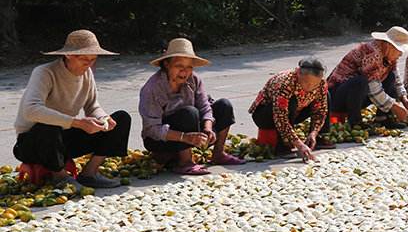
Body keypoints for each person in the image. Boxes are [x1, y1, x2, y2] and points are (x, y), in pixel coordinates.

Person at [13, 30, 131, 188]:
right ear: (68, 55)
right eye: (84, 59)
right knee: (49, 127)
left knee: (121, 118)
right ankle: (60, 177)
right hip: (33, 143)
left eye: (93, 59)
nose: (89, 64)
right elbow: (31, 110)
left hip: (63, 140)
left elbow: (92, 105)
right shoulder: (44, 72)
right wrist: (77, 123)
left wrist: (103, 118)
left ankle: (90, 173)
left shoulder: (87, 73)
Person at [139, 38, 244, 176]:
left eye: (189, 67)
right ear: (166, 64)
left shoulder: (194, 80)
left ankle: (218, 154)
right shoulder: (153, 88)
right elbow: (152, 129)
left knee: (224, 105)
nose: (184, 71)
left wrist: (207, 128)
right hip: (161, 140)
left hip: (192, 134)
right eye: (179, 66)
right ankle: (185, 162)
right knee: (189, 112)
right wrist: (184, 137)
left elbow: (205, 107)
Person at [326, 26, 408, 129]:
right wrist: (394, 106)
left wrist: (404, 98)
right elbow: (372, 87)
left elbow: (396, 78)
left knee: (390, 76)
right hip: (337, 95)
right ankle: (355, 122)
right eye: (399, 50)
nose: (401, 54)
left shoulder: (389, 56)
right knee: (360, 82)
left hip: (359, 95)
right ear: (389, 46)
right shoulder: (372, 53)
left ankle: (383, 118)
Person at [249, 58, 333, 161]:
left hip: (295, 112)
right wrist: (299, 144)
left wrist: (314, 132)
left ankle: (318, 138)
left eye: (314, 84)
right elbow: (280, 118)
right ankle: (283, 147)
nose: (310, 88)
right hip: (265, 116)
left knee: (326, 95)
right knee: (292, 101)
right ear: (298, 73)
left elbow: (320, 109)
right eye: (306, 83)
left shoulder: (321, 83)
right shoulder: (285, 83)